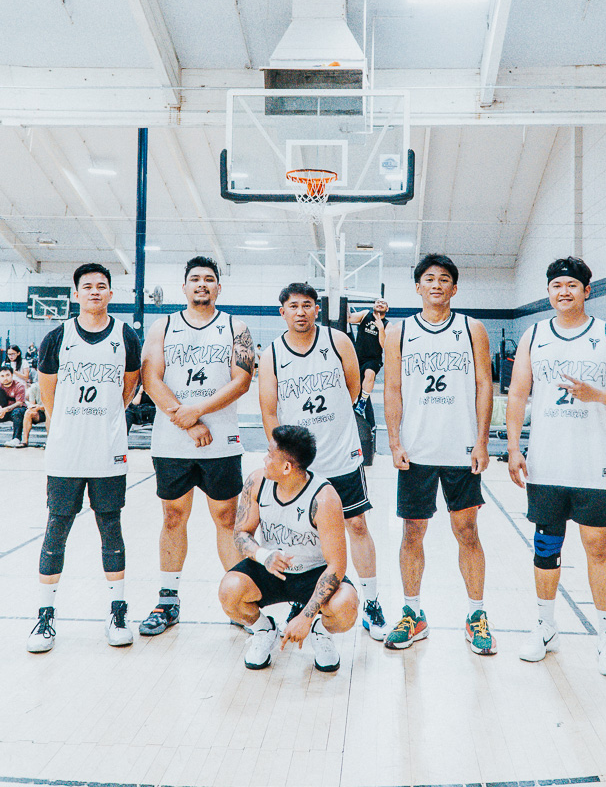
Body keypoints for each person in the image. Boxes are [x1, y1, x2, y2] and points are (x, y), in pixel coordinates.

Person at [506, 257, 606, 677]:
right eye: (556, 285)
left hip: (593, 463)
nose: (563, 291)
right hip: (546, 463)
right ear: (548, 291)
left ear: (587, 290)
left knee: (597, 546)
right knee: (546, 547)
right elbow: (517, 394)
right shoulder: (534, 335)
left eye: (571, 285)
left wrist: (598, 394)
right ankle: (545, 627)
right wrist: (513, 448)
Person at [259, 282, 387, 641]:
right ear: (282, 312)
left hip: (341, 455)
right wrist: (283, 459)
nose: (301, 312)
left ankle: (372, 602)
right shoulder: (271, 354)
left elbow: (352, 388)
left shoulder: (338, 341)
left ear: (318, 309)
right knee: (304, 536)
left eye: (307, 305)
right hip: (301, 465)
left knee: (357, 525)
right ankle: (301, 600)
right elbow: (269, 411)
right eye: (293, 306)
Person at [383, 253, 496, 654]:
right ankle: (412, 613)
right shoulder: (398, 331)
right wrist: (394, 442)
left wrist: (482, 441)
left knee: (467, 532)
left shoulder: (472, 328)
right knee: (412, 531)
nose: (436, 284)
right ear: (418, 287)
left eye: (444, 279)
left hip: (461, 450)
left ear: (454, 288)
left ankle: (476, 615)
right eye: (429, 278)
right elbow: (392, 388)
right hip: (416, 450)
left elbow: (485, 385)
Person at [27, 263, 141, 652]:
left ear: (110, 293)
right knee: (56, 528)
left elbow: (129, 386)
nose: (95, 291)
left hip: (108, 450)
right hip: (66, 452)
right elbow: (48, 394)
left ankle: (117, 611)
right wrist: (67, 426)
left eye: (102, 286)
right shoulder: (57, 337)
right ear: (76, 294)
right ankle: (45, 615)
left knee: (111, 527)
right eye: (88, 286)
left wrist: (105, 420)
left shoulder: (126, 336)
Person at [140, 255, 254, 636]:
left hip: (221, 441)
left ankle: (240, 601)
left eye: (208, 279)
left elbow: (241, 381)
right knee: (173, 516)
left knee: (227, 519)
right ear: (184, 287)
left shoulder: (236, 327)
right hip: (172, 441)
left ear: (219, 287)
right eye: (195, 279)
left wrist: (198, 411)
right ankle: (168, 601)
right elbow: (150, 379)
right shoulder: (163, 326)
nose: (201, 284)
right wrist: (186, 420)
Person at [219, 424, 358, 672]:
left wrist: (306, 617)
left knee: (346, 606)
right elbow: (240, 534)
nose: (264, 459)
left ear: (287, 467)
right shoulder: (257, 481)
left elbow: (337, 566)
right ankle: (264, 630)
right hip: (271, 569)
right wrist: (265, 556)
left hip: (313, 573)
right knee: (229, 591)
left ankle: (321, 634)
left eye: (269, 454)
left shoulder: (324, 498)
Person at [348, 298, 389, 422]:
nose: (380, 304)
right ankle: (354, 405)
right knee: (356, 385)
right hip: (358, 357)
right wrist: (345, 304)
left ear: (387, 309)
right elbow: (349, 318)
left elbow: (384, 345)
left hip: (373, 359)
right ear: (374, 305)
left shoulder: (388, 325)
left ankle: (362, 403)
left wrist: (381, 329)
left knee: (370, 374)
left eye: (383, 303)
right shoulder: (365, 314)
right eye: (378, 302)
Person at [0, 365, 27, 446]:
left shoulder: (19, 386)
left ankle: (16, 439)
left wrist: (5, 409)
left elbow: (19, 403)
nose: (5, 378)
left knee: (17, 412)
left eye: (7, 375)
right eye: (2, 376)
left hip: (16, 409)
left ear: (12, 375)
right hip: (2, 410)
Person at [19, 379, 47, 448]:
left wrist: (41, 407)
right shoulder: (34, 387)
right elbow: (32, 404)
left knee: (47, 412)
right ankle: (25, 441)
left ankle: (49, 441)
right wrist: (36, 407)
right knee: (28, 412)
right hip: (40, 411)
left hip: (52, 412)